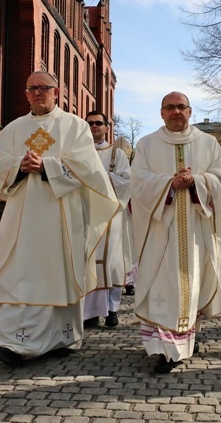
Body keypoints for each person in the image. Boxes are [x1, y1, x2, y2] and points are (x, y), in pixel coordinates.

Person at [0, 71, 119, 366]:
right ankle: (13, 342)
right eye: (32, 88)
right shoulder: (14, 128)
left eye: (44, 88)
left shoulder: (75, 126)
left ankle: (63, 337)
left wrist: (47, 166)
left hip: (62, 215)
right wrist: (19, 164)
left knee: (57, 271)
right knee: (22, 271)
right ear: (26, 93)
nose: (38, 93)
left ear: (56, 92)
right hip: (23, 214)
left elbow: (87, 168)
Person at [130, 91, 221, 374]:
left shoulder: (208, 144)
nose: (176, 112)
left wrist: (197, 181)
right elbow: (137, 184)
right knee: (164, 287)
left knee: (190, 285)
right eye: (170, 107)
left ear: (190, 111)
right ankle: (165, 348)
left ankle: (183, 341)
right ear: (161, 113)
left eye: (181, 107)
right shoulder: (147, 144)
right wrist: (169, 184)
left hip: (196, 232)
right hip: (159, 231)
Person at [82, 111, 131, 329]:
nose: (94, 127)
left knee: (110, 263)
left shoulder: (116, 154)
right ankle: (89, 313)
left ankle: (112, 309)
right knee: (87, 263)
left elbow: (127, 181)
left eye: (98, 124)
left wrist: (103, 176)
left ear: (106, 127)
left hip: (111, 215)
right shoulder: (79, 152)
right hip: (85, 214)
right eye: (90, 123)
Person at [114, 136, 137, 296]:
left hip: (128, 214)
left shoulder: (136, 171)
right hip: (112, 210)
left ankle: (129, 281)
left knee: (129, 247)